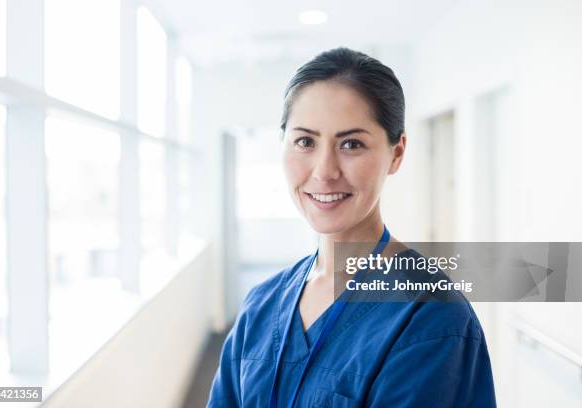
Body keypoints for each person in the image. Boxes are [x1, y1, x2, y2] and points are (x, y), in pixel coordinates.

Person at [207, 47, 496, 407]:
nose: (324, 171)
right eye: (305, 141)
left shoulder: (431, 317)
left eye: (351, 144)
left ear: (397, 153)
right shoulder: (261, 307)